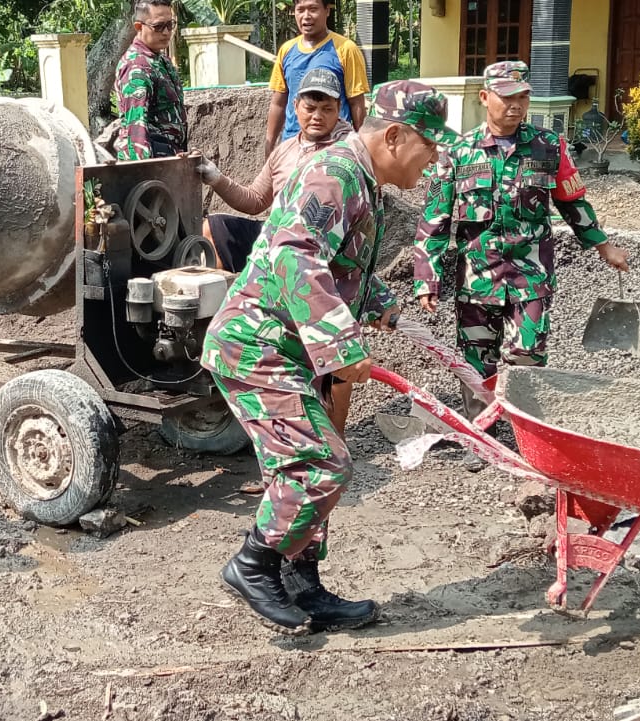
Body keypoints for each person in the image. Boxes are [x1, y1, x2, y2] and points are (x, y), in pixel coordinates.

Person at [202, 81, 450, 635]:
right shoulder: (335, 174)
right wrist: (339, 343)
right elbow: (294, 251)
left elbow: (342, 265)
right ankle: (254, 564)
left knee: (301, 466)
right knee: (322, 464)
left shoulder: (360, 178)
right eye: (429, 146)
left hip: (288, 349)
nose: (433, 160)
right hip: (257, 345)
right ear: (395, 135)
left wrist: (379, 304)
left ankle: (303, 585)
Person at [413, 61, 630, 417]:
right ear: (485, 97)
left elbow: (572, 202)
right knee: (476, 361)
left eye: (523, 96)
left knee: (526, 354)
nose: (516, 105)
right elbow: (435, 218)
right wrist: (427, 276)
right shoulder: (457, 152)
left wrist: (603, 245)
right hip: (477, 279)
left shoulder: (549, 146)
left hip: (531, 277)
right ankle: (481, 434)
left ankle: (525, 431)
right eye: (507, 96)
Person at [196, 67, 359, 437]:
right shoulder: (285, 150)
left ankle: (336, 439)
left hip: (322, 255)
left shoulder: (345, 154)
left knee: (332, 357)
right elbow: (255, 201)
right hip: (279, 247)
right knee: (215, 227)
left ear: (339, 112)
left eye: (327, 109)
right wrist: (215, 177)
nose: (317, 116)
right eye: (309, 106)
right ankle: (233, 316)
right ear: (296, 108)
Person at [264, 0, 368, 157]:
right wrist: (270, 145)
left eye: (313, 9)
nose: (306, 16)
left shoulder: (345, 49)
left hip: (334, 147)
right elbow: (278, 103)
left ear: (327, 10)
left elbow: (356, 103)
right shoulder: (286, 51)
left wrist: (363, 149)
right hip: (294, 146)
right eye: (300, 10)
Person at [113, 0, 187, 161]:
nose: (167, 32)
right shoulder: (137, 68)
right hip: (150, 162)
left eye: (170, 25)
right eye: (159, 26)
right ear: (139, 27)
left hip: (168, 158)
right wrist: (144, 175)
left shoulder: (160, 60)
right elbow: (136, 128)